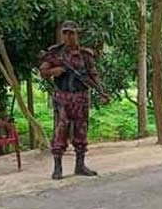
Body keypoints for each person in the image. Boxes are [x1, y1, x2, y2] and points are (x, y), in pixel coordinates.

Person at [39, 21, 109, 180]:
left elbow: (93, 74)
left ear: (77, 34)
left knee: (81, 130)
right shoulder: (55, 53)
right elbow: (43, 71)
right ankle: (58, 168)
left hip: (81, 97)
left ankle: (80, 165)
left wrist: (101, 92)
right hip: (63, 97)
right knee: (60, 130)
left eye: (71, 33)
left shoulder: (85, 55)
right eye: (65, 33)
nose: (68, 36)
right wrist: (52, 71)